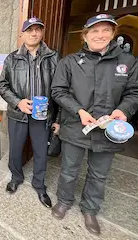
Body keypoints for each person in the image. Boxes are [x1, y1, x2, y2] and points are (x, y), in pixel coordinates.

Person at [51, 14, 138, 235]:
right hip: (75, 126)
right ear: (85, 35)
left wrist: (123, 110)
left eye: (106, 30)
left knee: (99, 174)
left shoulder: (127, 62)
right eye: (95, 31)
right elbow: (58, 91)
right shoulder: (69, 62)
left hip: (108, 131)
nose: (100, 35)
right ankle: (64, 200)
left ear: (113, 34)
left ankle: (90, 209)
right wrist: (79, 111)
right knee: (69, 170)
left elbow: (134, 93)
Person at [0, 17, 60, 208]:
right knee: (15, 149)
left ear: (42, 33)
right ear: (22, 34)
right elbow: (2, 85)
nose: (33, 33)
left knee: (41, 151)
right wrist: (18, 102)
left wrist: (57, 118)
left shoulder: (53, 57)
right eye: (29, 30)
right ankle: (16, 177)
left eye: (37, 29)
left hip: (43, 115)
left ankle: (39, 185)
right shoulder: (12, 58)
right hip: (18, 114)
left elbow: (60, 89)